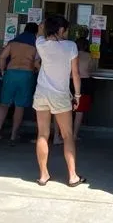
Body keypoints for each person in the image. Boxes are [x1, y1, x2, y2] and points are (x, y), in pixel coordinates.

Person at [33, 16, 86, 187]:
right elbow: (75, 74)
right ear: (61, 30)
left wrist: (44, 26)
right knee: (67, 135)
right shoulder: (70, 46)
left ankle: (43, 175)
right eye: (66, 29)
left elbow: (40, 30)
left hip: (41, 93)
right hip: (61, 95)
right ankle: (72, 176)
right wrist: (77, 96)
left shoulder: (40, 44)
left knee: (42, 134)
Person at [0, 22, 39, 144]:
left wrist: (3, 70)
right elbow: (37, 62)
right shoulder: (35, 44)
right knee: (19, 106)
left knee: (4, 104)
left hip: (11, 73)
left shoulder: (13, 42)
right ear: (36, 32)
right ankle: (13, 135)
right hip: (26, 75)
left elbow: (2, 57)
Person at [72, 37, 94, 140]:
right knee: (79, 111)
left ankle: (61, 134)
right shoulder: (89, 56)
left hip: (70, 82)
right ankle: (74, 135)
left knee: (65, 109)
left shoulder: (71, 54)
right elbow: (92, 69)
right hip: (84, 82)